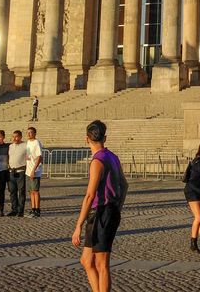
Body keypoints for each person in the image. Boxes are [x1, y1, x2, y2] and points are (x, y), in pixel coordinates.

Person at [73, 120, 126, 292]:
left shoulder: (97, 162)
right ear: (105, 137)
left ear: (86, 139)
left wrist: (78, 225)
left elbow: (89, 196)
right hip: (106, 212)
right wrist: (119, 205)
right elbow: (125, 185)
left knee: (102, 264)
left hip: (102, 213)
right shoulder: (113, 157)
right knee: (86, 261)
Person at [7, 129, 28, 216]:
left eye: (16, 137)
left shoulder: (26, 145)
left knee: (21, 191)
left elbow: (29, 157)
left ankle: (20, 210)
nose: (15, 138)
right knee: (12, 192)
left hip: (21, 171)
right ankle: (14, 209)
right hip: (11, 171)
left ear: (20, 137)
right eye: (13, 136)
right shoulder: (10, 146)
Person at [26, 126, 44, 217]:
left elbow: (39, 157)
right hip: (28, 170)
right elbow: (28, 156)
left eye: (30, 132)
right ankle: (33, 208)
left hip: (35, 170)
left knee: (35, 191)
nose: (28, 134)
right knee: (31, 191)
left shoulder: (37, 142)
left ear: (34, 133)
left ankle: (37, 209)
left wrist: (34, 170)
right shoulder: (28, 142)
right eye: (27, 132)